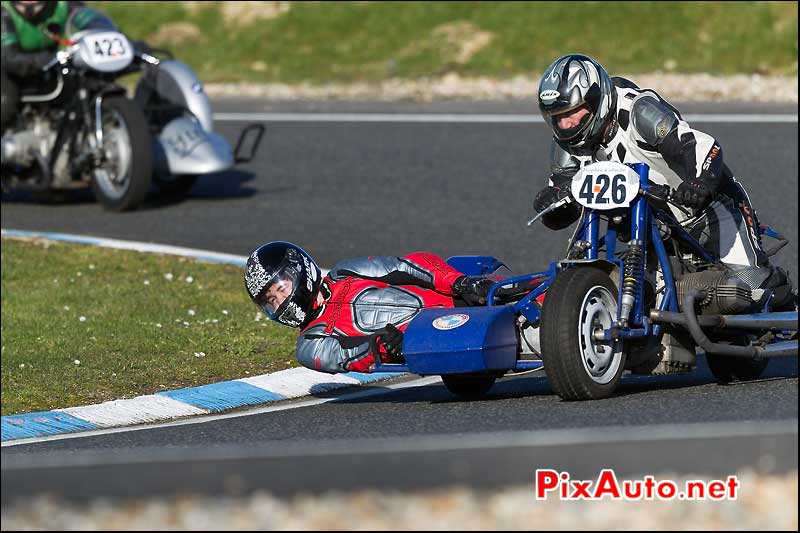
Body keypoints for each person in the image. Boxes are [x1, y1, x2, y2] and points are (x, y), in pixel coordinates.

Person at [532, 53, 796, 372]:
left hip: (707, 211)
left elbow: (701, 146)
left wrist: (697, 185)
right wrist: (552, 201)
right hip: (643, 223)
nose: (566, 124)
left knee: (750, 292)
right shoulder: (568, 142)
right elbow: (561, 196)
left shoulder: (638, 110)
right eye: (558, 117)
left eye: (573, 113)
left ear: (596, 100)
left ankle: (786, 300)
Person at [245, 242, 497, 374]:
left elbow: (407, 265)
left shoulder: (344, 272)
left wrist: (459, 282)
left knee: (510, 291)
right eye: (271, 300)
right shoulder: (309, 343)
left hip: (459, 299)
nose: (280, 301)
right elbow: (347, 356)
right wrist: (383, 345)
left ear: (298, 270)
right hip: (428, 341)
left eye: (281, 289)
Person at [1, 1, 99, 131]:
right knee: (7, 101)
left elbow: (94, 22)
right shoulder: (4, 10)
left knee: (85, 85)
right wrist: (50, 58)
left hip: (51, 66)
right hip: (8, 71)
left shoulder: (62, 5)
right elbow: (9, 58)